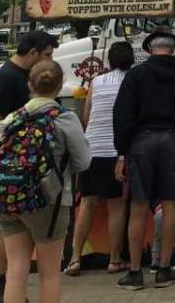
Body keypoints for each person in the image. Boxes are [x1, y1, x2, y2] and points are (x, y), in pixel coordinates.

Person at [113, 26, 175, 291]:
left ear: (150, 49)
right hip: (174, 141)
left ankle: (134, 272)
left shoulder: (136, 75)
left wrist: (122, 152)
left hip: (142, 142)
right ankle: (164, 269)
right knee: (171, 204)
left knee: (139, 206)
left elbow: (122, 116)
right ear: (173, 48)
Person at [0, 60, 91, 303]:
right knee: (49, 274)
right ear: (59, 87)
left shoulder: (11, 119)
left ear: (29, 84)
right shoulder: (65, 118)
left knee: (16, 271)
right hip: (49, 199)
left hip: (8, 197)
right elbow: (84, 162)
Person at [0, 30, 58, 303]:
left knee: (3, 224)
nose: (50, 60)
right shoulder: (7, 78)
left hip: (11, 163)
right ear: (32, 52)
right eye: (47, 54)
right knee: (1, 224)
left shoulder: (18, 77)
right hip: (3, 164)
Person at [66, 41, 134, 277]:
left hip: (91, 150)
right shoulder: (132, 81)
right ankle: (114, 260)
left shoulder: (96, 81)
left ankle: (75, 258)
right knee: (116, 206)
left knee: (87, 203)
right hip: (115, 152)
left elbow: (86, 115)